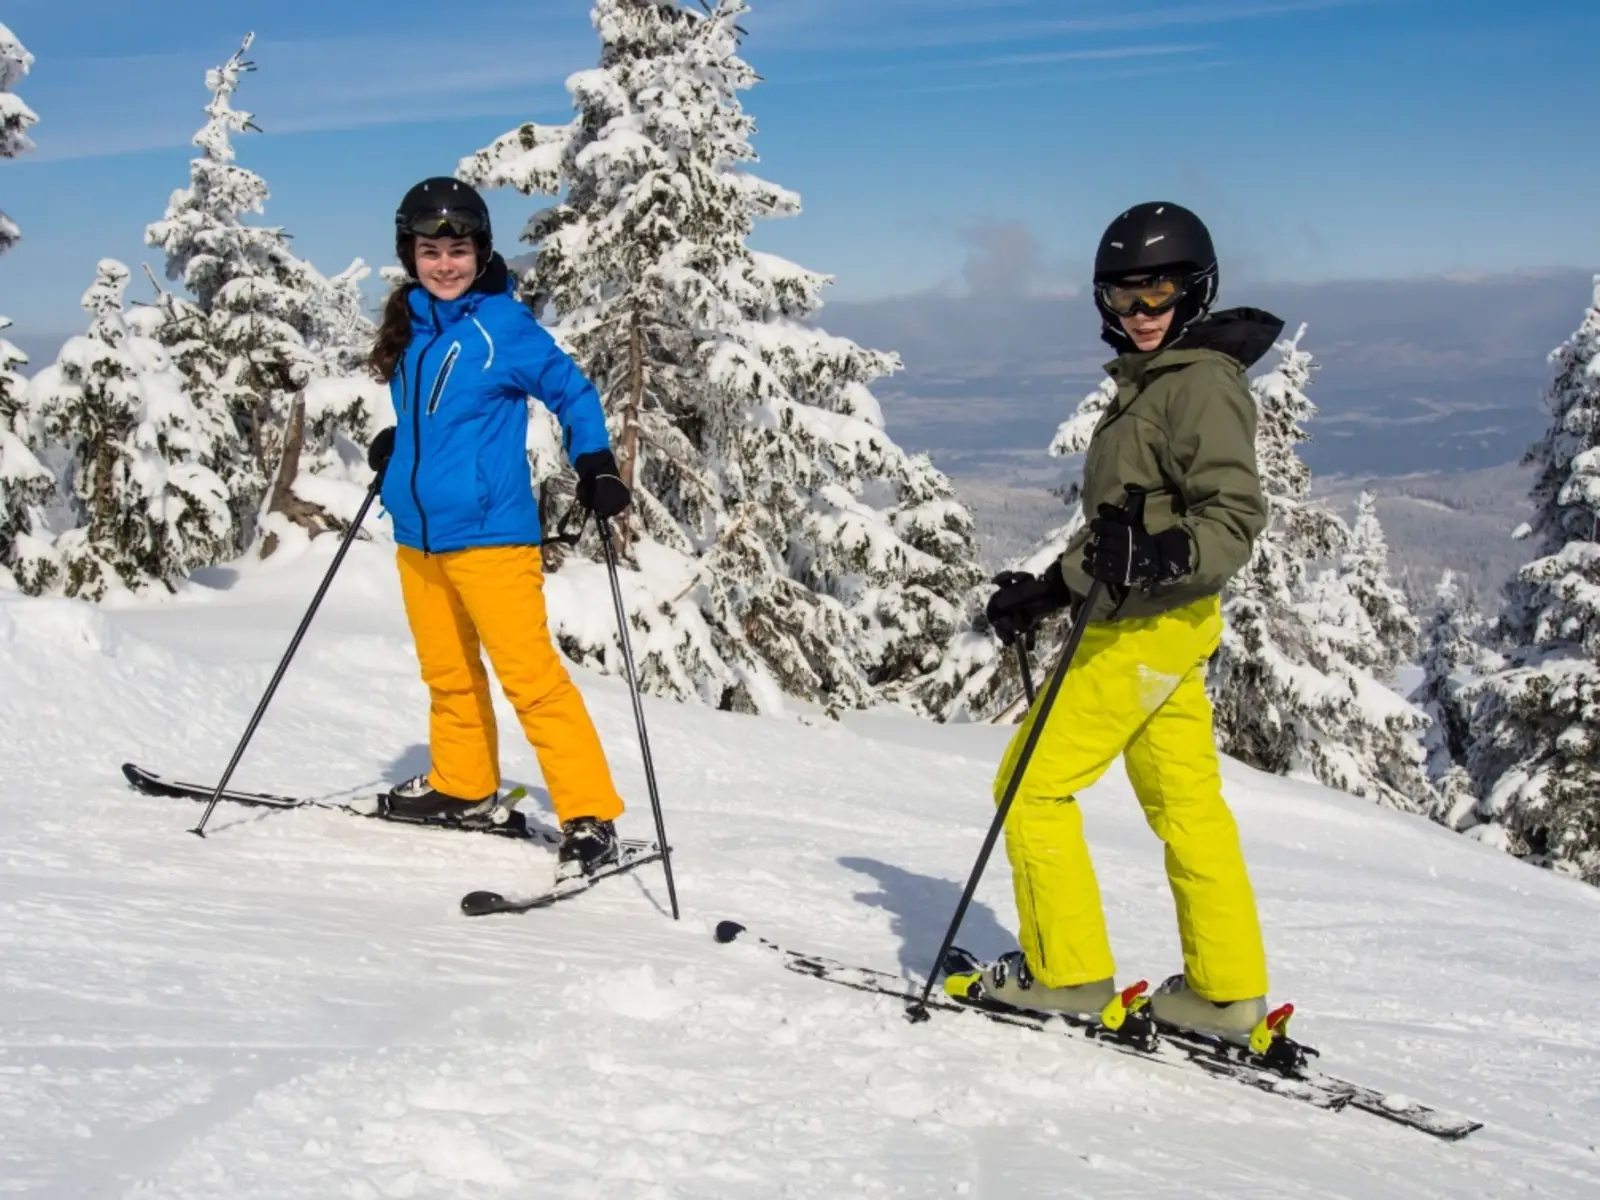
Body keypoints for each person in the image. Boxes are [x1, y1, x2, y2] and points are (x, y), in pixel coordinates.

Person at [980, 201, 1285, 1042]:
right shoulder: (1164, 379)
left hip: (1145, 630)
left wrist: (1159, 561)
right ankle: (1224, 994)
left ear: (1196, 291)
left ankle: (1066, 973)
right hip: (1163, 624)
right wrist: (1050, 587)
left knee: (1029, 786)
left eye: (1159, 296)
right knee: (1186, 806)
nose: (1142, 316)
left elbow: (1231, 517)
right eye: (1123, 301)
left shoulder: (1199, 386)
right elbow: (1129, 523)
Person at [364, 176, 632, 877]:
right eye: (430, 250)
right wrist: (400, 446)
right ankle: (462, 784)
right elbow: (446, 419)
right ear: (409, 254)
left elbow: (572, 389)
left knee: (530, 679)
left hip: (490, 537)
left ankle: (588, 814)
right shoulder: (416, 327)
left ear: (482, 252)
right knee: (447, 673)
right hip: (419, 537)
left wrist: (595, 459)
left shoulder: (503, 327)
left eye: (458, 248)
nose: (444, 263)